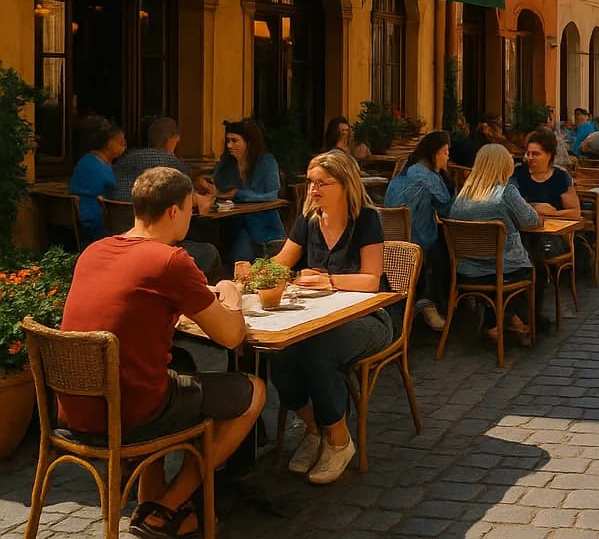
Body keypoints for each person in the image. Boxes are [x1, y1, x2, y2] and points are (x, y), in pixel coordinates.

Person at [59, 167, 263, 539]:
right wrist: (231, 292)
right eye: (190, 208)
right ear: (173, 211)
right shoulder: (169, 260)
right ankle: (166, 509)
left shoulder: (94, 251)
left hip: (77, 408)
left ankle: (151, 500)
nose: (192, 215)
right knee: (252, 391)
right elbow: (232, 337)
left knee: (174, 373)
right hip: (131, 413)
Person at [269, 149, 394, 485]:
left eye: (322, 183)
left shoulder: (366, 220)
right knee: (279, 356)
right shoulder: (308, 221)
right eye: (310, 182)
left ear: (345, 184)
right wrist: (253, 275)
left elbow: (371, 281)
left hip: (369, 318)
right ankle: (314, 430)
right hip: (318, 317)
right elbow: (280, 263)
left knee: (317, 353)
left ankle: (340, 442)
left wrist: (328, 280)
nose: (313, 190)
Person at [446, 143, 542, 338]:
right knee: (537, 268)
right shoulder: (506, 192)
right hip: (502, 270)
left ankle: (500, 322)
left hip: (466, 271)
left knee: (503, 261)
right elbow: (532, 221)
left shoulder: (462, 194)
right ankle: (528, 322)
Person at [113, 117, 223, 280]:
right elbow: (186, 198)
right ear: (173, 138)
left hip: (119, 233)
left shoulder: (125, 160)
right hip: (157, 240)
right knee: (209, 247)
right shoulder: (171, 163)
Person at [383, 130, 454, 331]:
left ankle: (424, 303)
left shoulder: (403, 172)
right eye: (446, 152)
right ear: (434, 153)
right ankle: (431, 304)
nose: (448, 157)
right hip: (417, 244)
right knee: (450, 254)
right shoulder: (428, 177)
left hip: (390, 242)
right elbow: (448, 210)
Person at [212, 118, 285, 262]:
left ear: (249, 142)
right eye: (227, 141)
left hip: (265, 225)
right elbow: (217, 188)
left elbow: (272, 194)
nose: (229, 145)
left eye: (234, 140)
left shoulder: (266, 162)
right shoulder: (226, 163)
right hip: (234, 224)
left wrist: (238, 194)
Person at [68, 116, 125, 245]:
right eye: (121, 142)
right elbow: (117, 193)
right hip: (99, 223)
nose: (125, 145)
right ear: (110, 144)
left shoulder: (85, 160)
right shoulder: (100, 168)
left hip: (82, 220)